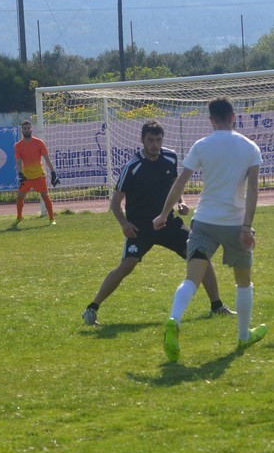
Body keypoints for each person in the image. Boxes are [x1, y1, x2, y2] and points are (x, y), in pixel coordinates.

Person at [82, 120, 234, 325]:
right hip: (141, 227)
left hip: (167, 222)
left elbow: (174, 185)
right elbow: (115, 202)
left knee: (199, 254)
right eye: (150, 140)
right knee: (127, 265)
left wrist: (180, 202)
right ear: (142, 140)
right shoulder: (132, 166)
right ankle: (91, 308)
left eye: (158, 140)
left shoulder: (170, 157)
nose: (155, 145)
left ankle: (217, 306)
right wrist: (124, 224)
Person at [153, 97, 267, 361]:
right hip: (235, 223)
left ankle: (174, 319)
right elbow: (253, 189)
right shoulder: (250, 147)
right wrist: (247, 227)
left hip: (204, 221)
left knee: (191, 280)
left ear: (211, 120)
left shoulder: (201, 145)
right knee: (243, 282)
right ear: (234, 117)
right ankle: (243, 336)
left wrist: (163, 214)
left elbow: (179, 184)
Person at [13, 120, 59, 226]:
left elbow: (46, 158)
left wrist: (53, 173)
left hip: (39, 175)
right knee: (19, 197)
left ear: (31, 129)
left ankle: (52, 219)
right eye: (25, 128)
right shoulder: (18, 145)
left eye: (28, 128)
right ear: (22, 130)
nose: (27, 130)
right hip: (26, 176)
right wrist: (20, 174)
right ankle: (19, 217)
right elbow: (18, 162)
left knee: (45, 196)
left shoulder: (39, 142)